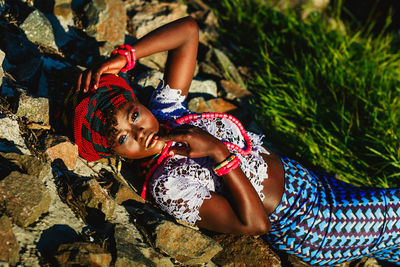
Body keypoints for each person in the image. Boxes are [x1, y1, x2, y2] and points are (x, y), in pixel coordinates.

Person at [73, 16, 400, 266]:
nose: (139, 131)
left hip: (311, 182)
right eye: (122, 138)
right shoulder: (168, 184)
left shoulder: (168, 110)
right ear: (113, 152)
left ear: (138, 103)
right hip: (313, 223)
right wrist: (217, 152)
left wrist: (125, 56)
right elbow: (254, 223)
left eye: (133, 116)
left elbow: (188, 31)